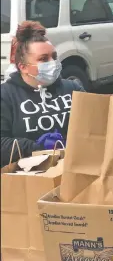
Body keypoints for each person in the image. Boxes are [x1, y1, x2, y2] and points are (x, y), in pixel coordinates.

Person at [1, 21, 84, 166]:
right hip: (29, 178)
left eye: (54, 56)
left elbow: (96, 127)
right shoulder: (6, 96)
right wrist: (36, 147)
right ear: (23, 67)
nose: (53, 62)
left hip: (75, 168)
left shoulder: (72, 88)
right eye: (43, 59)